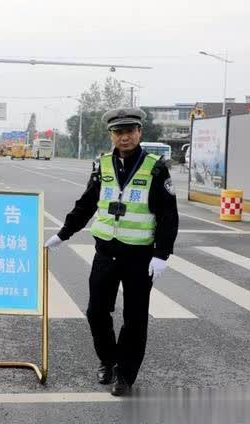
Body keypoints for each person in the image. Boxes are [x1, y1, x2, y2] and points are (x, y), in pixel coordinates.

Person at [45, 108, 178, 396]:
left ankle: (125, 375)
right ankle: (108, 360)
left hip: (139, 257)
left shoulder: (155, 168)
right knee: (96, 312)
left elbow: (168, 214)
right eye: (119, 132)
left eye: (130, 130)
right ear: (111, 135)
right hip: (105, 254)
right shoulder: (102, 166)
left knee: (134, 318)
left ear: (139, 132)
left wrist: (162, 254)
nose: (125, 136)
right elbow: (87, 204)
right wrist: (62, 233)